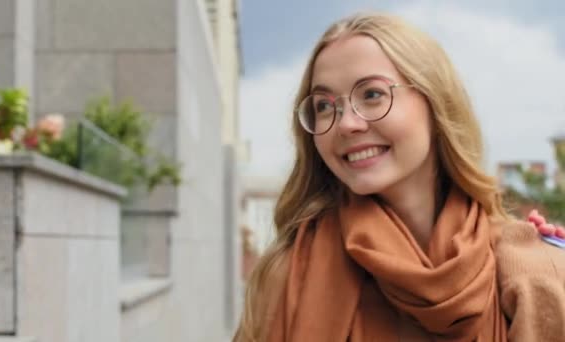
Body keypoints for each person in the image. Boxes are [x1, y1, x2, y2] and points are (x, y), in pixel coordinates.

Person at [234, 13, 565, 342]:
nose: (346, 123)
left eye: (372, 94)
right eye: (324, 106)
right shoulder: (288, 275)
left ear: (435, 102)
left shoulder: (532, 273)